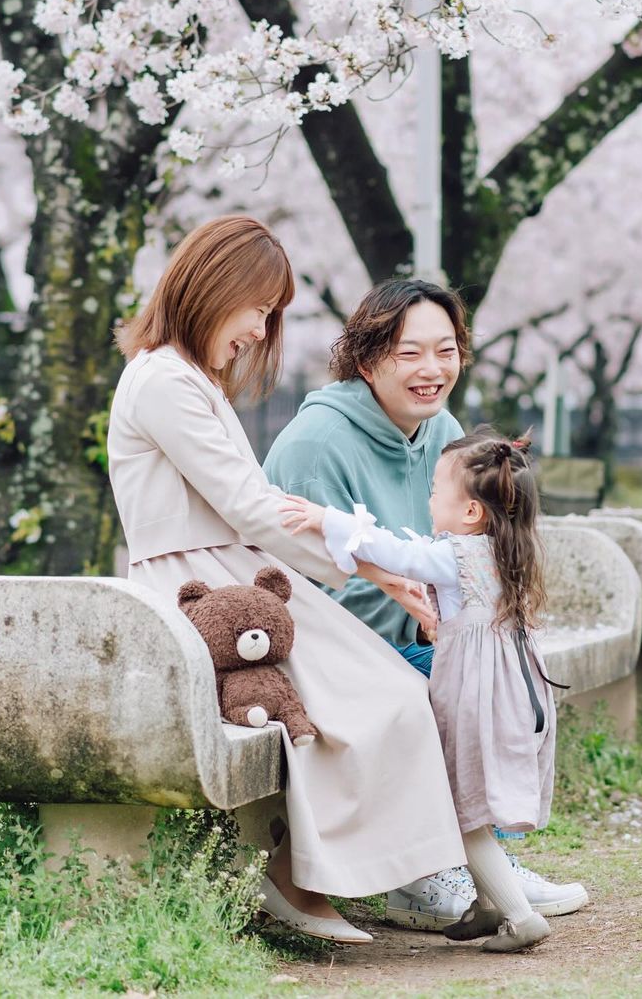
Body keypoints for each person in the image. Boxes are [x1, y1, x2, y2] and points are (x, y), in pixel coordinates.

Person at [106, 216, 467, 946]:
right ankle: (310, 871)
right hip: (204, 589)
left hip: (233, 576)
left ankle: (361, 869)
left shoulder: (182, 376)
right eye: (259, 307)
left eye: (271, 313)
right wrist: (372, 564)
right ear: (215, 289)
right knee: (378, 691)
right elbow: (249, 503)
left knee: (390, 689)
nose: (260, 328)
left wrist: (371, 565)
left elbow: (248, 505)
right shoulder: (162, 381)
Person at [263, 280, 588, 928]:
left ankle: (481, 857)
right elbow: (300, 580)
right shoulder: (316, 443)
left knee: (497, 691)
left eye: (446, 350)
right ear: (367, 358)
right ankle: (421, 871)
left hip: (421, 634)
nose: (432, 369)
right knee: (430, 697)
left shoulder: (442, 428)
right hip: (321, 643)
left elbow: (462, 542)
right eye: (410, 353)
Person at [282, 428, 561, 952]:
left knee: (463, 811)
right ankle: (487, 905)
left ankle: (521, 917)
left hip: (474, 700)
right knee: (473, 802)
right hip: (513, 697)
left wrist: (328, 519)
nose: (428, 497)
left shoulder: (457, 557)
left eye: (436, 489)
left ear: (472, 512)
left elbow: (394, 553)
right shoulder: (503, 554)